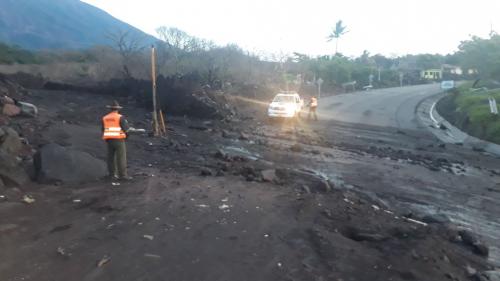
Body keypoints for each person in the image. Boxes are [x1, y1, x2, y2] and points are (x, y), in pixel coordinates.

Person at [102, 101, 131, 181]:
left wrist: (107, 138)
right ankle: (122, 175)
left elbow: (103, 129)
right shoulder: (120, 117)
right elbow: (126, 129)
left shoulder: (105, 118)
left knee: (110, 158)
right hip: (119, 140)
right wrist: (126, 137)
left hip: (109, 140)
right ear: (117, 109)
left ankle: (111, 175)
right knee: (121, 157)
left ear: (110, 109)